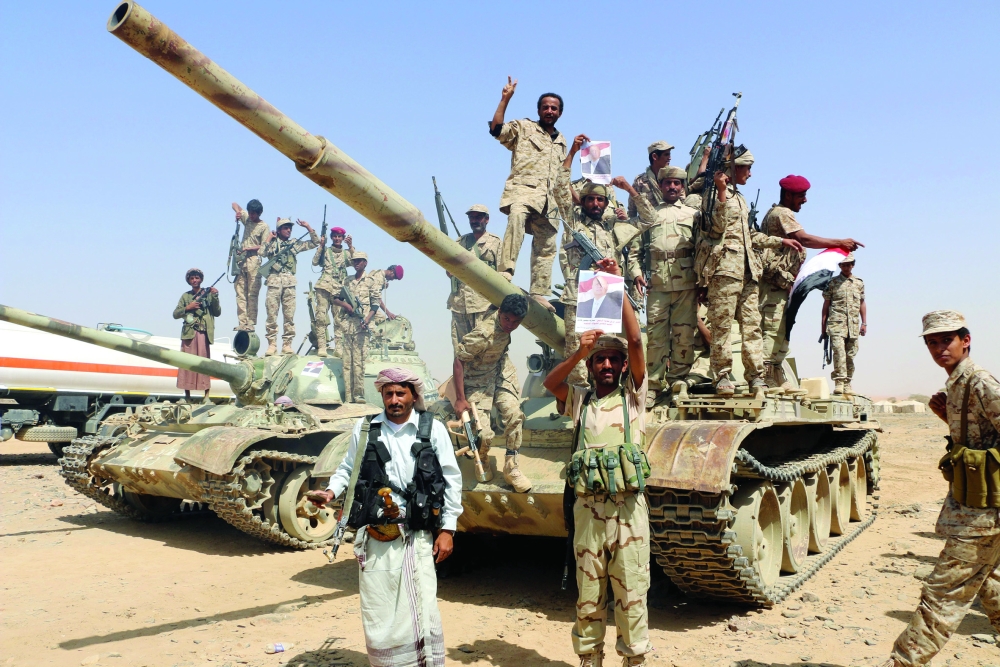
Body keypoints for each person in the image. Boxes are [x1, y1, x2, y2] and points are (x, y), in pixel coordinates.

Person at [308, 367, 462, 667]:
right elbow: (348, 469)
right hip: (378, 535)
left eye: (400, 393)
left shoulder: (432, 429)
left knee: (420, 603)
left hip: (416, 535)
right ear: (381, 395)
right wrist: (330, 492)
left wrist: (448, 529)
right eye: (388, 393)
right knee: (380, 605)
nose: (394, 400)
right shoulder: (366, 429)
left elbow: (452, 479)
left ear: (413, 396)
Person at [543, 258, 651, 667]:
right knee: (589, 593)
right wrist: (580, 351)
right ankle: (590, 659)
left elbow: (636, 341)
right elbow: (551, 383)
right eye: (600, 360)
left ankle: (634, 659)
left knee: (632, 591)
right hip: (588, 511)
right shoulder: (580, 401)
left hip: (627, 511)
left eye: (613, 360)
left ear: (622, 367)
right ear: (591, 367)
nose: (607, 365)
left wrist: (616, 289)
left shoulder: (634, 399)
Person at [882, 311, 1000, 667]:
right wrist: (946, 417)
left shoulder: (980, 382)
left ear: (966, 341)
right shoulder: (955, 385)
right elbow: (979, 437)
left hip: (983, 514)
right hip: (975, 507)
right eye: (932, 342)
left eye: (946, 340)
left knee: (944, 594)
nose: (939, 348)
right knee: (991, 583)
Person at [695, 149, 804, 396]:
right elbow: (716, 228)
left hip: (748, 271)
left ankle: (756, 376)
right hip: (724, 271)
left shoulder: (741, 198)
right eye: (747, 167)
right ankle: (722, 375)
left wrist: (779, 241)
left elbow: (749, 235)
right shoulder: (712, 195)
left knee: (752, 327)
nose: (750, 173)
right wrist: (721, 191)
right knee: (722, 326)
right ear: (734, 168)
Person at [758, 175, 863, 390]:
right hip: (773, 285)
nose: (804, 200)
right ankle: (766, 376)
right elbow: (803, 239)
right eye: (801, 196)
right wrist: (839, 242)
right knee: (772, 329)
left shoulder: (779, 213)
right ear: (789, 195)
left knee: (782, 329)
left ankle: (776, 373)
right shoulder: (781, 213)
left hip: (783, 284)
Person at [559, 146, 642, 384]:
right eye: (590, 199)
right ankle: (578, 399)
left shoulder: (613, 225)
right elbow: (559, 186)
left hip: (607, 293)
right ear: (582, 201)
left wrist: (629, 189)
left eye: (600, 200)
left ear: (606, 203)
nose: (595, 203)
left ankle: (606, 395)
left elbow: (649, 219)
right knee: (577, 352)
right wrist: (572, 152)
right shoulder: (573, 220)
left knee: (607, 350)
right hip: (579, 294)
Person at [489, 77, 573, 309]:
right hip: (524, 191)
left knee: (546, 245)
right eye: (545, 107)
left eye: (554, 108)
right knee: (516, 218)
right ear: (538, 110)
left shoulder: (561, 141)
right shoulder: (524, 128)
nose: (549, 111)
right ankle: (505, 271)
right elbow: (497, 130)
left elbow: (562, 176)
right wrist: (505, 99)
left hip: (549, 201)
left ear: (560, 113)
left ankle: (538, 291)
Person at [628, 165, 700, 406]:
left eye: (677, 183)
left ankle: (679, 382)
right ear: (660, 186)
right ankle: (654, 386)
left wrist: (703, 282)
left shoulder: (693, 215)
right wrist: (636, 274)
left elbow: (702, 250)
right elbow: (635, 251)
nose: (672, 187)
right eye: (667, 183)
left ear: (682, 187)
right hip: (657, 286)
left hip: (686, 285)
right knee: (656, 338)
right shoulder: (650, 216)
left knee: (684, 336)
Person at [452, 294, 530, 491]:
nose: (510, 325)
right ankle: (482, 458)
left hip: (501, 370)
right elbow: (459, 360)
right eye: (506, 319)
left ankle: (511, 466)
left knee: (515, 415)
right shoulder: (483, 334)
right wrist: (460, 399)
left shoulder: (506, 317)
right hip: (477, 379)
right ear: (499, 312)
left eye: (516, 322)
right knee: (484, 434)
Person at [260, 217, 320, 356]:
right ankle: (272, 344)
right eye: (285, 228)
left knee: (289, 316)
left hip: (289, 283)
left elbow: (315, 242)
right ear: (279, 230)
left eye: (290, 228)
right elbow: (261, 253)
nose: (288, 230)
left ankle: (287, 344)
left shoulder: (294, 244)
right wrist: (269, 238)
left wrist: (308, 227)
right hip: (274, 282)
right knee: (271, 315)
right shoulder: (272, 243)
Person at [446, 204, 502, 351]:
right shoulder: (460, 242)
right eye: (471, 217)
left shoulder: (495, 242)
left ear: (486, 219)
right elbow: (449, 269)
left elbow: (503, 273)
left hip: (484, 305)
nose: (474, 220)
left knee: (483, 347)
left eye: (478, 217)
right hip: (460, 305)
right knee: (460, 349)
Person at [172, 268, 221, 402]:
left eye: (197, 278)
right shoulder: (186, 296)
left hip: (203, 333)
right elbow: (175, 314)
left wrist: (215, 296)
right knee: (186, 363)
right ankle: (187, 396)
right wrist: (188, 307)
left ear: (201, 280)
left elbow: (217, 312)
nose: (194, 280)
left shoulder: (208, 294)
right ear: (189, 280)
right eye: (192, 278)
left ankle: (206, 396)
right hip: (189, 334)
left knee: (204, 364)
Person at [820, 252, 866, 395]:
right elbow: (826, 305)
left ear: (853, 265)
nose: (846, 267)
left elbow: (862, 303)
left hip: (853, 325)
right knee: (839, 353)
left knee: (850, 355)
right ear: (840, 266)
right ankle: (839, 382)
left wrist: (864, 323)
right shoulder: (832, 283)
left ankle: (847, 383)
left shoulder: (859, 283)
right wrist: (823, 327)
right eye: (843, 265)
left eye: (848, 265)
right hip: (836, 324)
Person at [311, 226, 354, 357]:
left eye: (339, 236)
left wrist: (351, 246)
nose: (337, 238)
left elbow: (356, 262)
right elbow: (314, 262)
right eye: (335, 236)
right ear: (331, 237)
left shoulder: (346, 253)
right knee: (321, 317)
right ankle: (322, 346)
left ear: (343, 238)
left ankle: (338, 347)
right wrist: (321, 246)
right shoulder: (326, 251)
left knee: (339, 319)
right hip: (324, 286)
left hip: (339, 289)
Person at [338, 252, 374, 403]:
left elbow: (375, 304)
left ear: (365, 263)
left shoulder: (370, 281)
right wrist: (346, 305)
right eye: (354, 261)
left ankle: (358, 395)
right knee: (347, 363)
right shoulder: (347, 280)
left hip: (362, 327)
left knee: (359, 362)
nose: (356, 263)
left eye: (359, 261)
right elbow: (336, 299)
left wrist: (366, 319)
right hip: (348, 326)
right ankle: (348, 396)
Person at [230, 199, 270, 331]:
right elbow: (234, 204)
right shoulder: (247, 219)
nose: (251, 215)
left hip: (254, 260)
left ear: (259, 213)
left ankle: (250, 323)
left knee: (252, 294)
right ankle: (242, 322)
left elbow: (264, 246)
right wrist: (237, 212)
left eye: (254, 213)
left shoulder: (264, 226)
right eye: (250, 212)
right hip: (241, 261)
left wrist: (249, 248)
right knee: (240, 292)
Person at [626, 140, 673, 219]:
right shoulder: (640, 182)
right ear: (655, 156)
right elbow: (632, 211)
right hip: (650, 224)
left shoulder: (673, 180)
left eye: (669, 154)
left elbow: (682, 204)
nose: (670, 158)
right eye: (666, 155)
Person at [363, 264, 404, 330]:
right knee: (381, 325)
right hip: (367, 305)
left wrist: (383, 286)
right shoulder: (379, 279)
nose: (392, 280)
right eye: (394, 277)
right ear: (392, 271)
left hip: (369, 303)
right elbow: (377, 299)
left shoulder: (378, 272)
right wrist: (388, 313)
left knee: (383, 321)